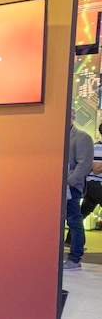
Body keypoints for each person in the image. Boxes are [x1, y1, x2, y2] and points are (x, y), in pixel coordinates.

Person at [65, 111, 93, 270]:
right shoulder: (57, 136)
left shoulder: (82, 137)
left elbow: (84, 164)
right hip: (57, 187)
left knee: (74, 220)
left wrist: (69, 181)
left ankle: (75, 258)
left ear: (73, 118)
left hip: (72, 187)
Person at [80, 122, 102, 225]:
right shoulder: (98, 147)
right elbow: (96, 169)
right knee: (83, 212)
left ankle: (72, 235)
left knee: (83, 212)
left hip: (93, 185)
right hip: (95, 184)